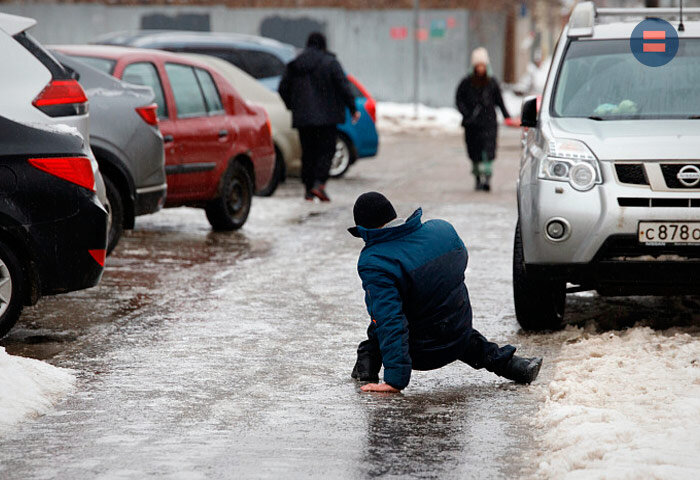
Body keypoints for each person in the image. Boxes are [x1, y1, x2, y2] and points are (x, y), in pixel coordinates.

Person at [348, 192, 542, 393]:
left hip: (423, 352)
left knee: (379, 323)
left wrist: (395, 381)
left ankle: (366, 375)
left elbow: (390, 321)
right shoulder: (443, 230)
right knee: (446, 319)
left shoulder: (375, 260)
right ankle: (517, 367)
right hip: (459, 333)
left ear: (364, 230)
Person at [279, 32, 360, 202]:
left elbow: (283, 88)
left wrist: (293, 106)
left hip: (303, 118)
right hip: (327, 118)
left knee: (308, 153)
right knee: (326, 151)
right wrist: (352, 108)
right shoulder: (330, 63)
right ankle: (319, 184)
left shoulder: (295, 64)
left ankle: (309, 190)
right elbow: (343, 86)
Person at [455, 47, 515, 192]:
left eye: (483, 65)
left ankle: (487, 178)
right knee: (474, 152)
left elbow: (499, 101)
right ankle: (477, 178)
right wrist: (466, 114)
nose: (481, 68)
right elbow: (459, 100)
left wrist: (507, 117)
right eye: (478, 65)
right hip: (472, 124)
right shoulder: (466, 82)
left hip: (489, 123)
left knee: (488, 151)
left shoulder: (492, 82)